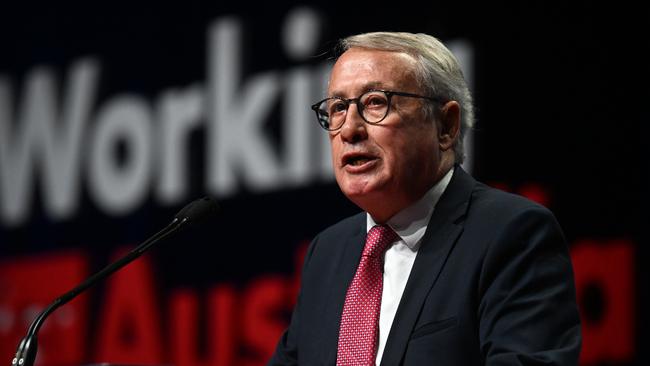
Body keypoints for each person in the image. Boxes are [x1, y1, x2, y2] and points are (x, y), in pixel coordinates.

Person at [268, 31, 581, 365]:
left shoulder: (510, 233)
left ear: (445, 125)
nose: (349, 129)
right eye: (338, 108)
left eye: (376, 102)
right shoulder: (327, 253)